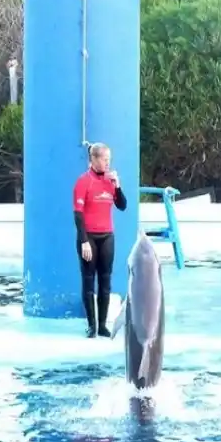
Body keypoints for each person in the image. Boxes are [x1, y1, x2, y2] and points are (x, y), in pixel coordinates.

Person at [73, 142, 127, 338]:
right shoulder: (83, 181)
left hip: (107, 237)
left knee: (105, 281)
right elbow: (78, 214)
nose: (107, 163)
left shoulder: (110, 181)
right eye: (105, 159)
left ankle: (103, 325)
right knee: (88, 281)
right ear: (94, 159)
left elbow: (122, 205)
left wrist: (117, 186)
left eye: (109, 159)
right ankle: (91, 325)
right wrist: (84, 241)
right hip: (88, 237)